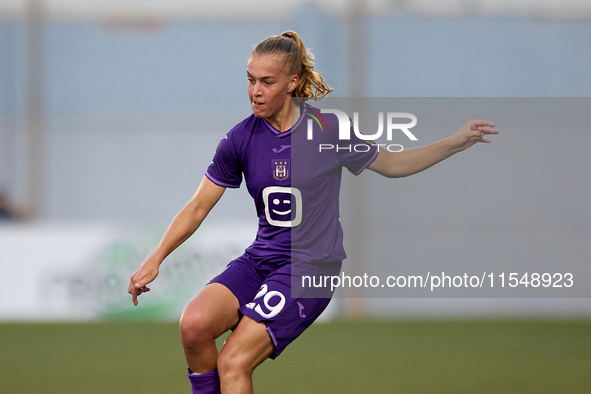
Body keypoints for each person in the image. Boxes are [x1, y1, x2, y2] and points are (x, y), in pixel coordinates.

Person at [128, 31, 498, 394]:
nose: (255, 90)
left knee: (233, 361)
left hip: (310, 268)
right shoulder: (239, 138)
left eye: (267, 82)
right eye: (250, 80)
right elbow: (197, 206)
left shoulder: (327, 130)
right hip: (262, 259)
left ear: (292, 83)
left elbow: (394, 164)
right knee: (192, 325)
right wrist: (156, 257)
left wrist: (455, 142)